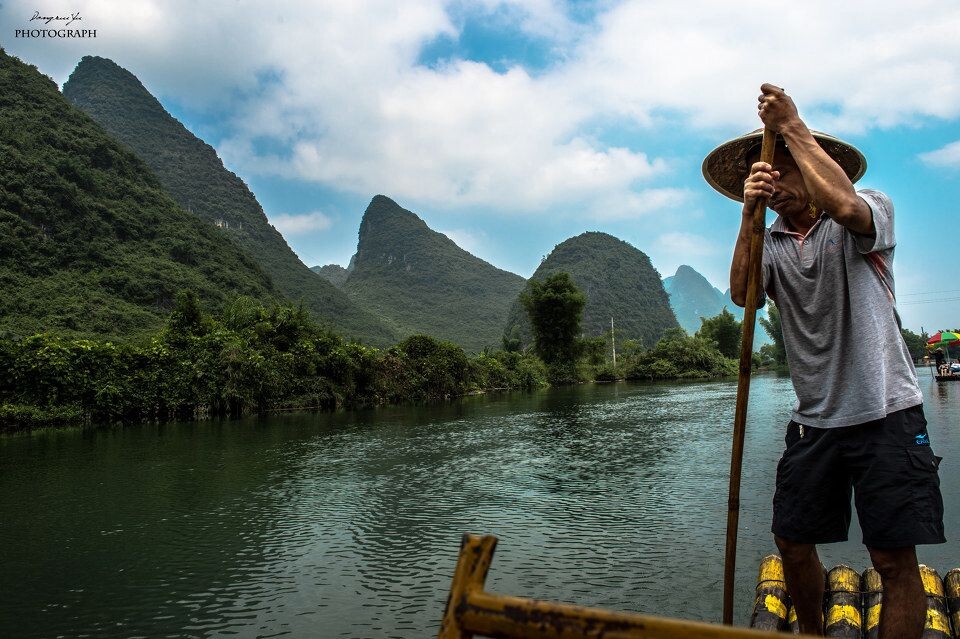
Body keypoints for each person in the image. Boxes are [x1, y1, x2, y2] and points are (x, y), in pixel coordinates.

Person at [703, 84, 945, 638]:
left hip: (887, 413)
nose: (775, 181)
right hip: (816, 423)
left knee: (891, 560)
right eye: (766, 173)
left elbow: (841, 204)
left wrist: (791, 125)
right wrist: (749, 214)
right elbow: (744, 295)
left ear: (815, 164)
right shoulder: (773, 242)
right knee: (791, 542)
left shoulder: (867, 212)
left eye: (781, 170)